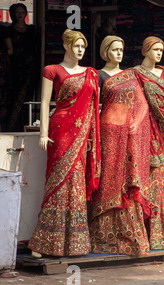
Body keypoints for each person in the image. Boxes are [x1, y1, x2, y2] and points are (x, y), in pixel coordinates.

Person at [28, 29, 101, 257]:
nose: (80, 50)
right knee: (57, 184)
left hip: (81, 135)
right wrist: (43, 133)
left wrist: (90, 136)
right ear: (67, 46)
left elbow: (93, 108)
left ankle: (75, 242)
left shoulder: (91, 73)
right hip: (60, 130)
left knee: (77, 183)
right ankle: (45, 242)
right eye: (77, 46)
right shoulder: (52, 70)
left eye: (83, 47)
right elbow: (45, 102)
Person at [90, 36, 152, 256]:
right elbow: (93, 107)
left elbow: (142, 105)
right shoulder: (97, 75)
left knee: (126, 181)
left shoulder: (131, 75)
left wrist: (135, 125)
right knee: (108, 180)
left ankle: (130, 238)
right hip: (107, 132)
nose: (119, 53)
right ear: (106, 51)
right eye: (115, 50)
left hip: (128, 135)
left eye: (121, 49)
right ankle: (102, 238)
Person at [132, 36, 164, 250]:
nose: (159, 53)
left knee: (162, 187)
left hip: (163, 136)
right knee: (142, 184)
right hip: (144, 135)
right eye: (155, 49)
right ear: (145, 50)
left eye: (162, 49)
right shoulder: (135, 74)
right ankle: (142, 234)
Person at [7, 3, 38, 132]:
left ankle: (26, 124)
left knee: (27, 99)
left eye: (22, 12)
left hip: (29, 70)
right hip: (13, 69)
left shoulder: (32, 30)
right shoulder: (8, 31)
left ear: (26, 14)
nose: (19, 15)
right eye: (17, 12)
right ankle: (11, 127)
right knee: (13, 99)